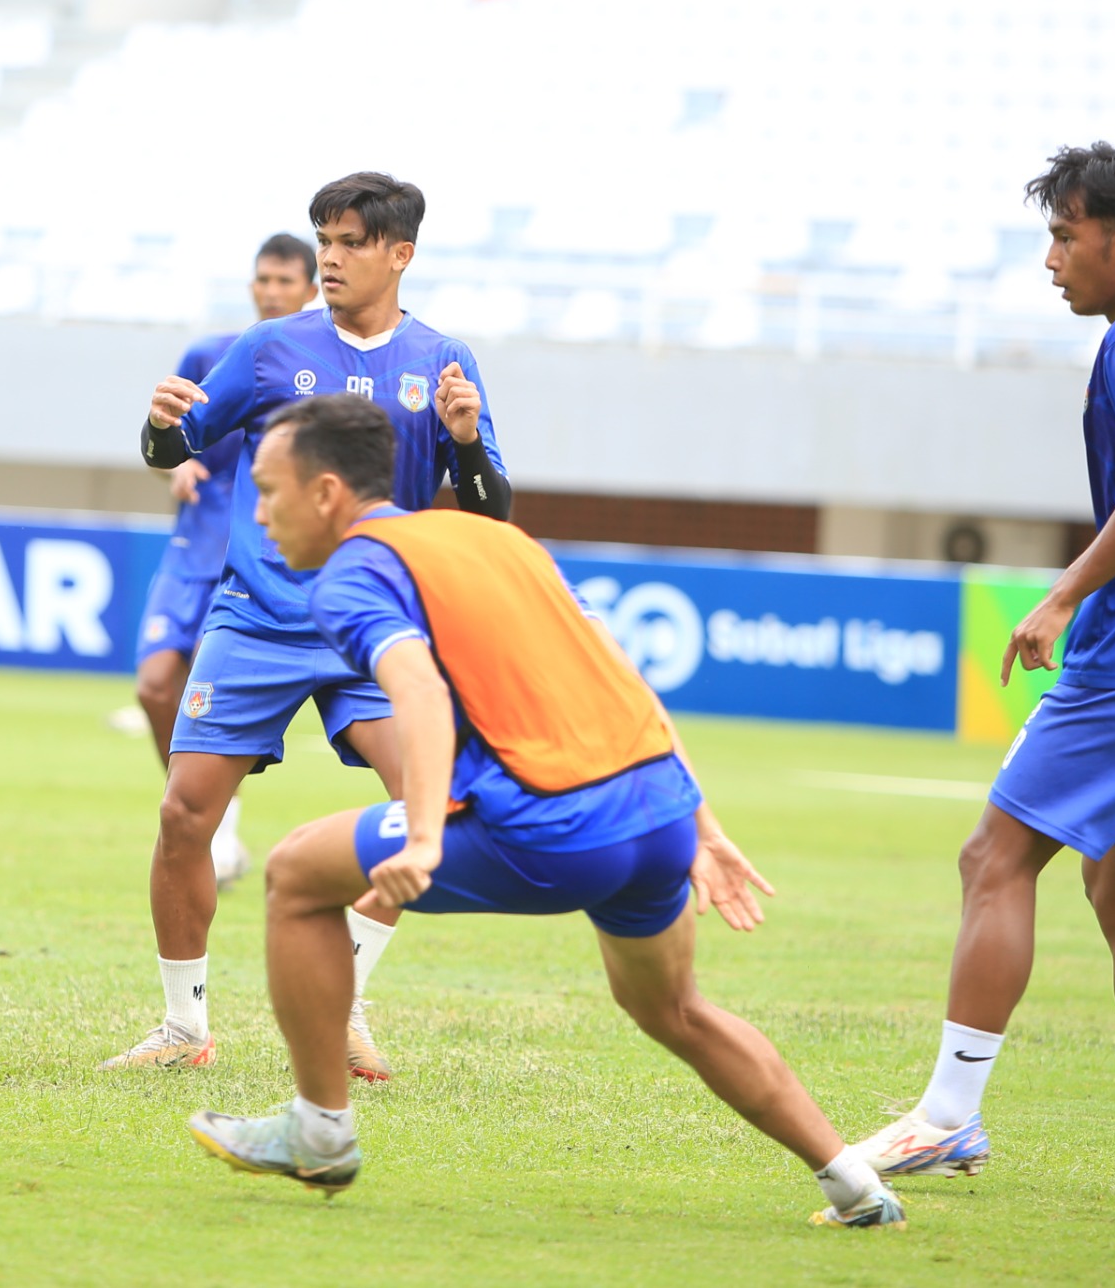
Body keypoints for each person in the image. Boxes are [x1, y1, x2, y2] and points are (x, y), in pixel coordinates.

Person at [181, 394, 905, 1229]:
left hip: (556, 826)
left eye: (268, 492)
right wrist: (702, 826)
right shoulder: (501, 540)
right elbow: (619, 673)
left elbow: (417, 689)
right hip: (657, 816)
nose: (258, 516)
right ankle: (855, 1185)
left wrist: (424, 837)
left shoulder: (353, 573)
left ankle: (320, 1133)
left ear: (326, 493)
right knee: (676, 1010)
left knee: (296, 871)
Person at [852, 141, 1115, 1203]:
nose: (1050, 259)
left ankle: (948, 1114)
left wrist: (1061, 595)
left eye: (1063, 235)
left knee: (994, 857)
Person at [103, 172, 512, 1079]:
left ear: (400, 254)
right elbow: (176, 445)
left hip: (372, 622)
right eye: (324, 239)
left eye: (350, 242)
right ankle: (183, 1028)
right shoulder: (267, 347)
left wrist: (466, 440)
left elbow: (490, 512)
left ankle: (348, 1001)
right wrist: (160, 425)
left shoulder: (444, 360)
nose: (330, 256)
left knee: (430, 805)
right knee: (184, 814)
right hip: (256, 617)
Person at [131, 235, 320, 888]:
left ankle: (214, 826)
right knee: (155, 685)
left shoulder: (320, 364)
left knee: (218, 698)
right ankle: (215, 821)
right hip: (194, 546)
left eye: (285, 281)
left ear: (310, 290)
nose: (271, 291)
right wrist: (174, 466)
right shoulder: (211, 354)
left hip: (257, 556)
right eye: (263, 279)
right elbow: (168, 441)